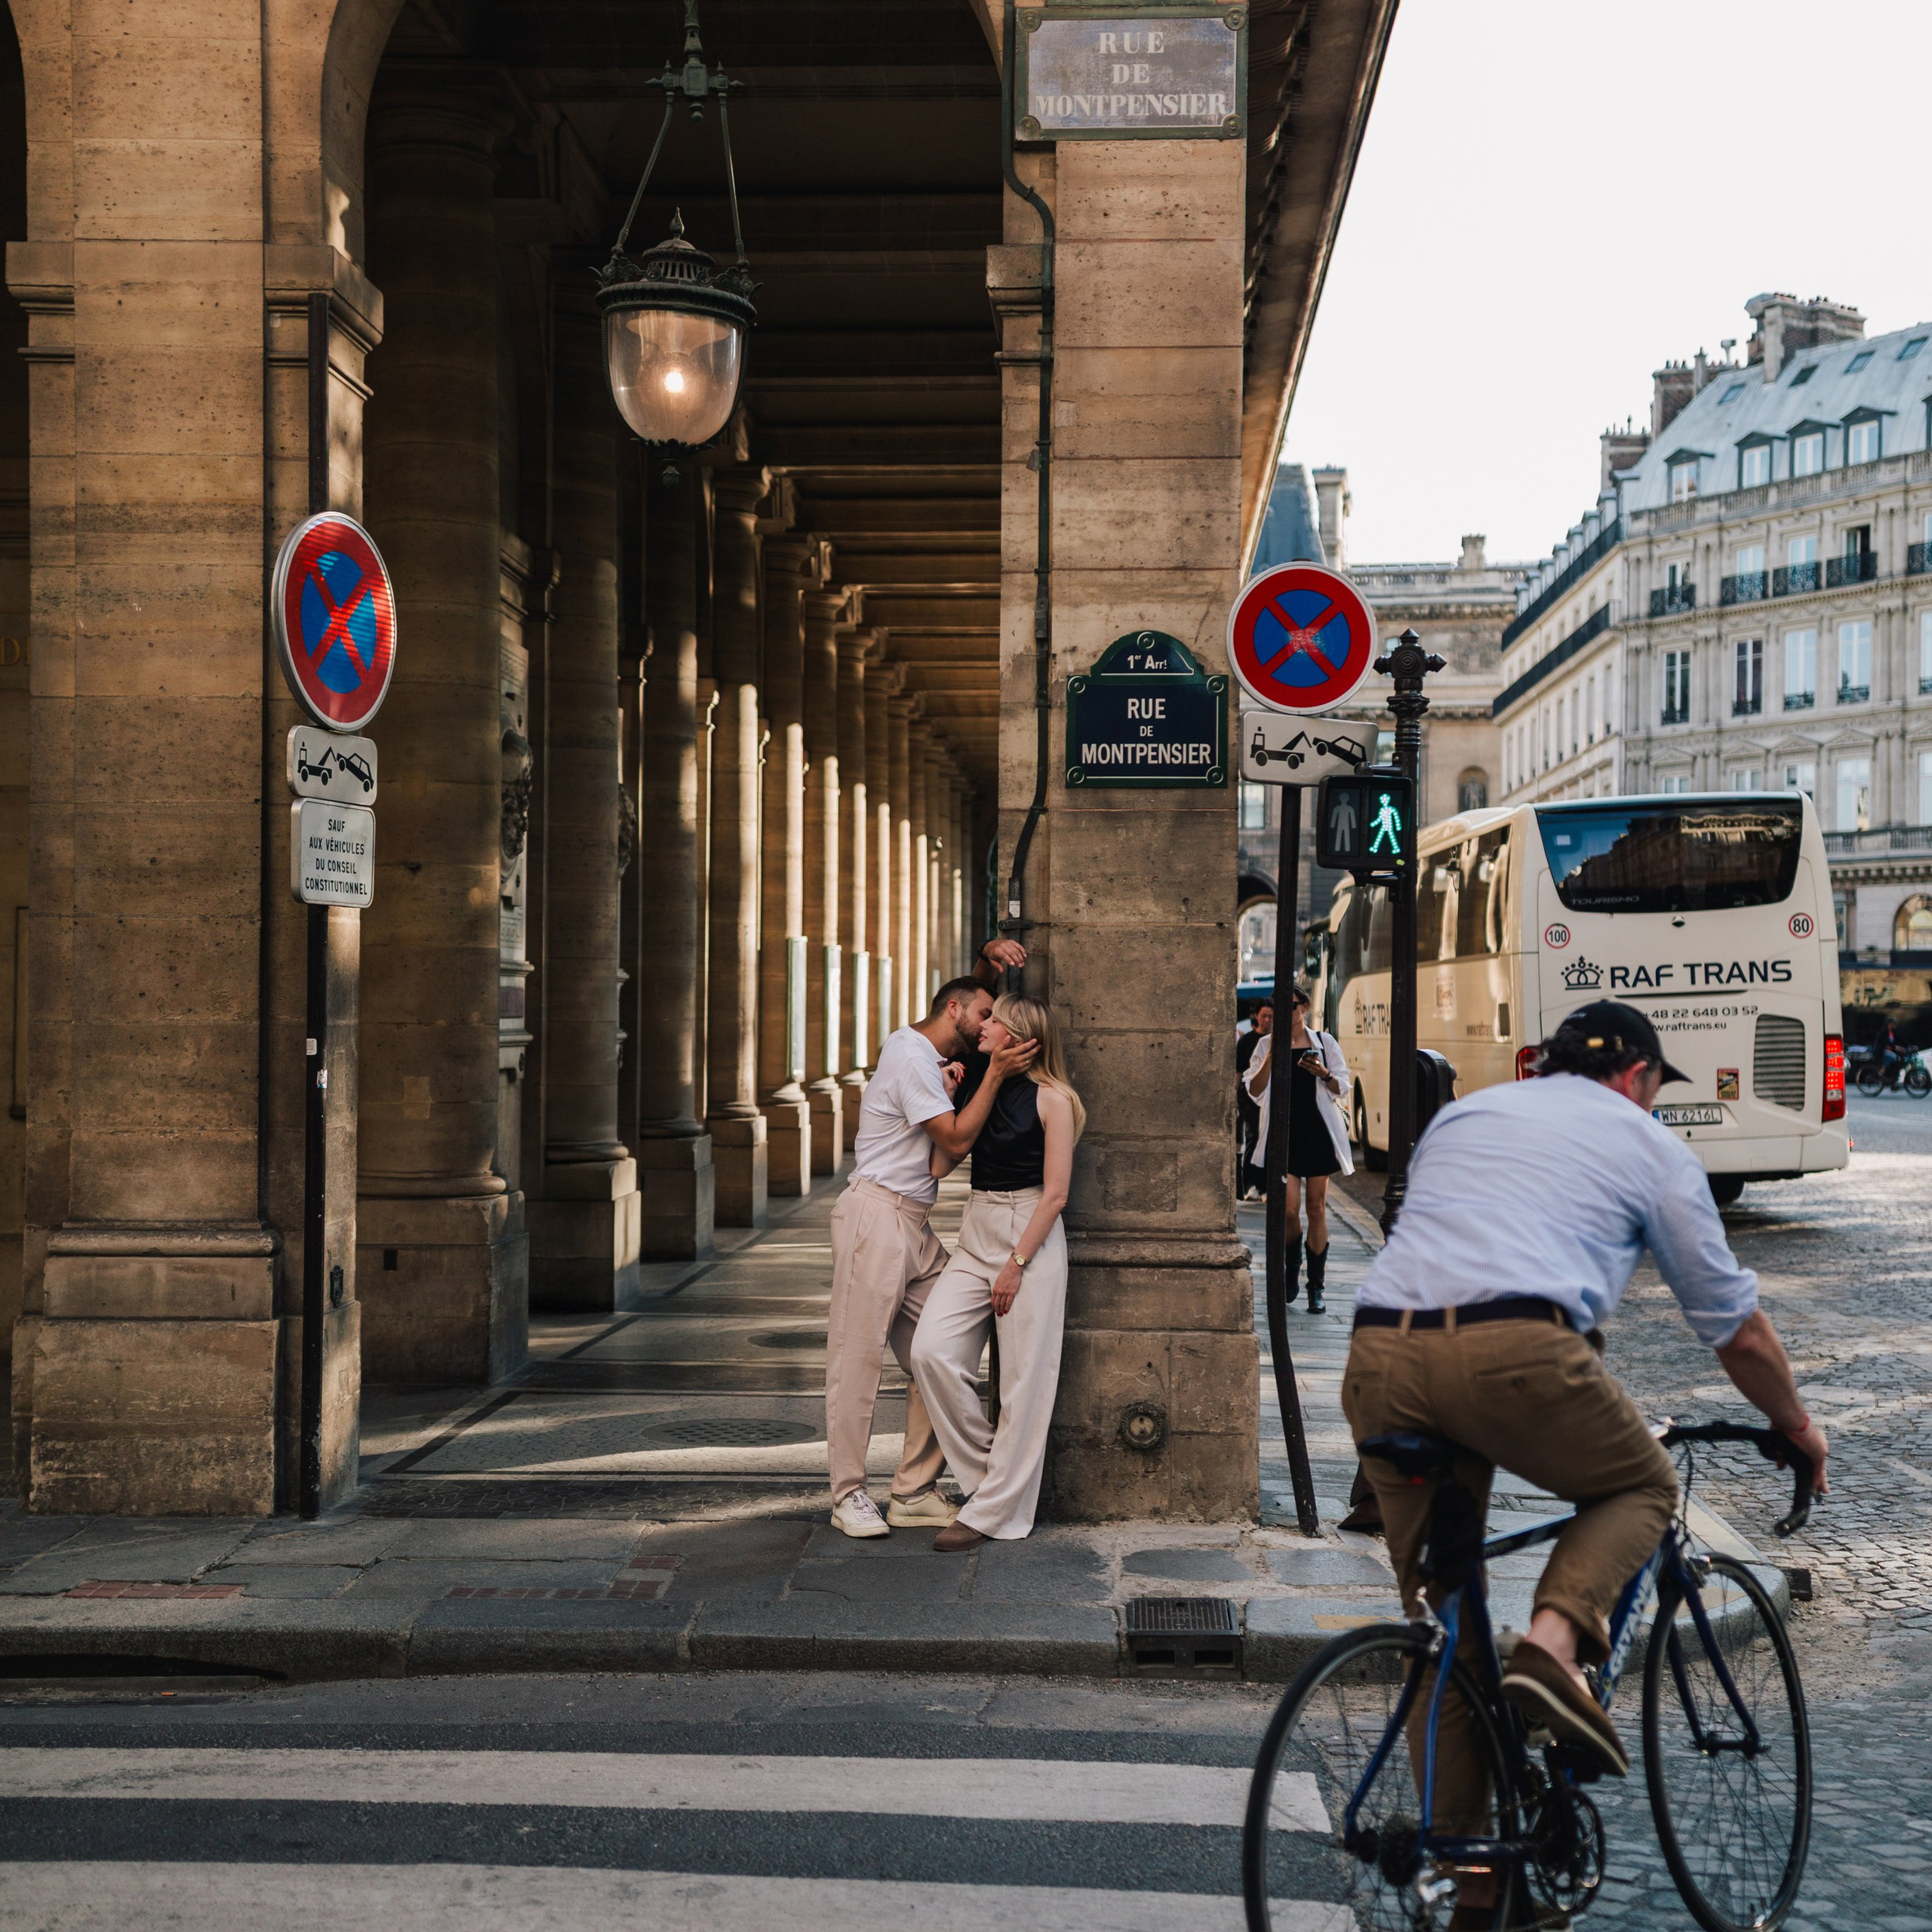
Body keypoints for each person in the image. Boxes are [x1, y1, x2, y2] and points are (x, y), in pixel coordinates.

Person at [1343, 1000, 1828, 1928]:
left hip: (1380, 1360)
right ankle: (1556, 1650)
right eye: (1652, 1088)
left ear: (1550, 1063)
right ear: (1640, 1077)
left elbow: (1477, 1237)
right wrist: (1796, 1425)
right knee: (1640, 1483)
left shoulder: (1470, 1114)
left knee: (1446, 1626)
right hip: (1515, 1353)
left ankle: (1482, 1888)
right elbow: (1733, 1324)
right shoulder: (1650, 1147)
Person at [825, 942, 1038, 1539]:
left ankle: (914, 1489)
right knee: (856, 1361)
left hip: (912, 1224)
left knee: (942, 1350)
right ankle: (847, 1495)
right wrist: (994, 1073)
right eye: (984, 1017)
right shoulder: (910, 1052)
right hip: (875, 1217)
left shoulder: (931, 1053)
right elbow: (955, 1142)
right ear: (954, 1013)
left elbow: (964, 1000)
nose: (989, 1027)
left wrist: (985, 964)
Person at [911, 994, 1084, 1552]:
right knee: (931, 1352)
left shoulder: (1054, 1099)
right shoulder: (982, 1081)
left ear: (1018, 1035)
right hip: (979, 1222)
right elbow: (941, 1163)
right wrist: (953, 1095)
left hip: (1028, 1230)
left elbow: (1056, 1194)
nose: (981, 1026)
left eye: (993, 1019)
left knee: (1023, 1383)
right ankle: (997, 1484)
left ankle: (993, 1512)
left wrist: (1016, 1265)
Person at [1243, 983, 1351, 1312]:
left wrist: (1322, 1072)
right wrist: (1274, 1053)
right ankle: (1292, 1272)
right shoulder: (1265, 1044)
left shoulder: (1324, 1042)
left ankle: (1316, 1288)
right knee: (1289, 1212)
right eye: (1278, 1007)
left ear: (1303, 1006)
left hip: (1316, 1133)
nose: (1282, 1013)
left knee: (1316, 1209)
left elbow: (1343, 1086)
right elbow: (1254, 1089)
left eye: (1289, 1006)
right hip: (1283, 1136)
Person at [1235, 999, 1272, 1200]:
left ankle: (1265, 1186)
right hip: (1250, 1098)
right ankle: (1250, 1184)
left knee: (1269, 1140)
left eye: (1271, 1016)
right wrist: (1234, 1098)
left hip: (1272, 1097)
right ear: (1257, 1017)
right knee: (1253, 1138)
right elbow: (1239, 1072)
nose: (1267, 1020)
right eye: (1264, 1016)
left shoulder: (1278, 1040)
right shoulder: (1247, 1041)